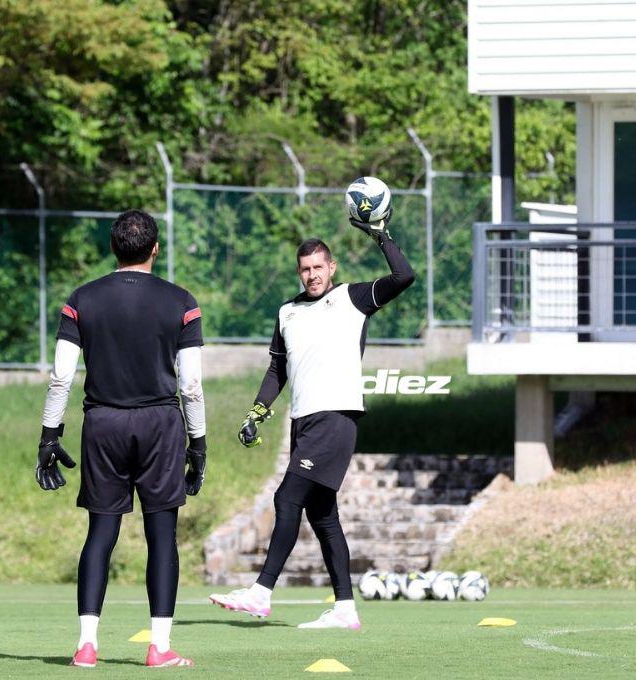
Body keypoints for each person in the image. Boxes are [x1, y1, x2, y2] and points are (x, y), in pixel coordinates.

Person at [209, 203, 414, 630]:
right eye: (305, 269)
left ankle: (261, 592)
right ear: (298, 272)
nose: (312, 275)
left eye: (319, 267)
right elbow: (277, 369)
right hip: (302, 422)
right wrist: (256, 412)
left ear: (332, 267)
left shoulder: (353, 298)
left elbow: (403, 277)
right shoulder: (287, 312)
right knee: (323, 515)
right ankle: (345, 608)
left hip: (335, 416)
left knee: (287, 499)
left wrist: (380, 234)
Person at [36, 209, 207, 667]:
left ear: (113, 248)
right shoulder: (181, 301)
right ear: (156, 249)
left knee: (100, 533)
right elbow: (191, 385)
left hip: (103, 424)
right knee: (162, 536)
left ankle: (86, 646)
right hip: (160, 425)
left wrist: (49, 436)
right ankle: (159, 647)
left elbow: (61, 377)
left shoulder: (82, 298)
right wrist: (198, 444)